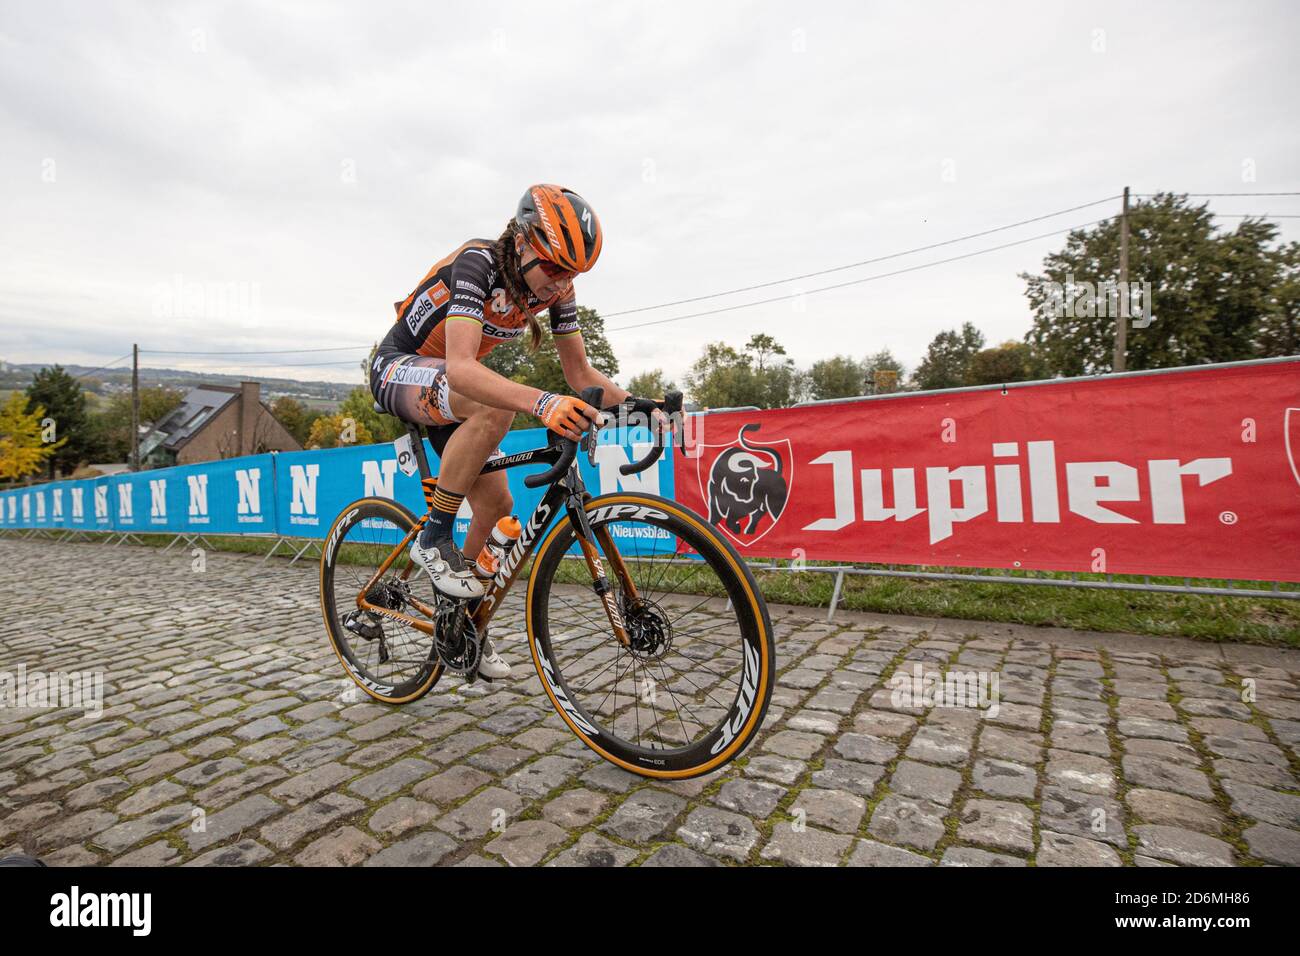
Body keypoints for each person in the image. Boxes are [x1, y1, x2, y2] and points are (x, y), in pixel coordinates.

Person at [369, 184, 668, 678]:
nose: (560, 284)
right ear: (523, 241)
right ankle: (435, 537)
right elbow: (463, 369)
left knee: (496, 505)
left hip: (449, 390)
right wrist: (542, 403)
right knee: (496, 409)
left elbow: (581, 376)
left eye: (571, 274)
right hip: (400, 371)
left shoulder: (557, 289)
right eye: (553, 268)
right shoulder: (477, 264)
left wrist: (640, 406)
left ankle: (455, 623)